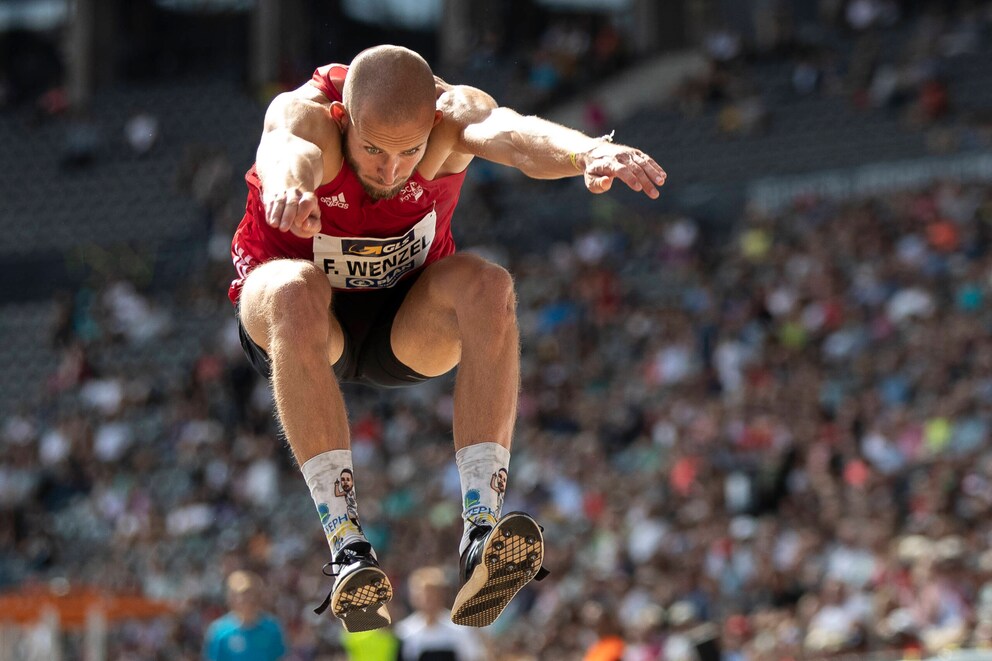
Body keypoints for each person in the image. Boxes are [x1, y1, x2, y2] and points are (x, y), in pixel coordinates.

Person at [228, 44, 666, 633]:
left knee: (490, 287)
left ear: (431, 126)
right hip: (302, 321)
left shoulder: (453, 115)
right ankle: (348, 549)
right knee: (294, 290)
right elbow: (286, 150)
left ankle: (482, 532)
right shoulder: (306, 115)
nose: (390, 172)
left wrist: (589, 149)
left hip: (402, 323)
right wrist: (289, 190)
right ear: (344, 122)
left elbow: (510, 132)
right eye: (373, 151)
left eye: (409, 153)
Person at [395, 566, 485, 661]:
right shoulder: (405, 631)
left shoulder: (460, 629)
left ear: (441, 595)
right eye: (424, 595)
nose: (427, 600)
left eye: (432, 594)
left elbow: (473, 657)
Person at [204, 571, 287, 661]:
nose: (243, 599)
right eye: (237, 594)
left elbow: (280, 656)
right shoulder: (220, 631)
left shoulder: (271, 628)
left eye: (247, 593)